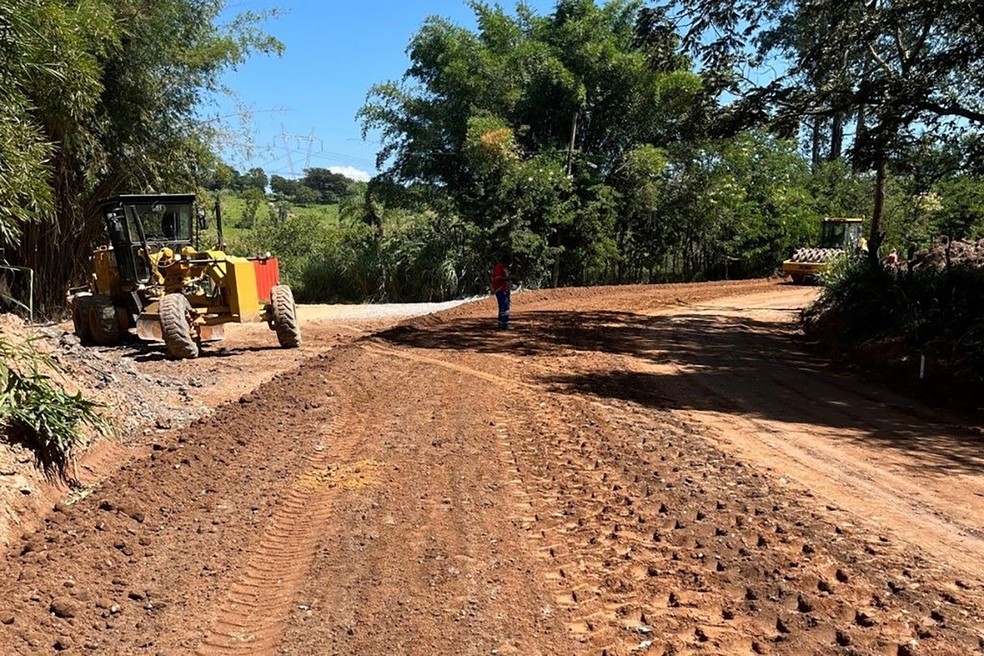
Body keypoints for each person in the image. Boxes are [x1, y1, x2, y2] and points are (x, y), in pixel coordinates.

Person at [491, 254, 512, 330]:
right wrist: (508, 278)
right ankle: (504, 324)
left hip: (505, 289)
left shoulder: (503, 268)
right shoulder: (499, 268)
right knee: (504, 307)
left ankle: (502, 323)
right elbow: (498, 279)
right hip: (501, 290)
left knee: (504, 307)